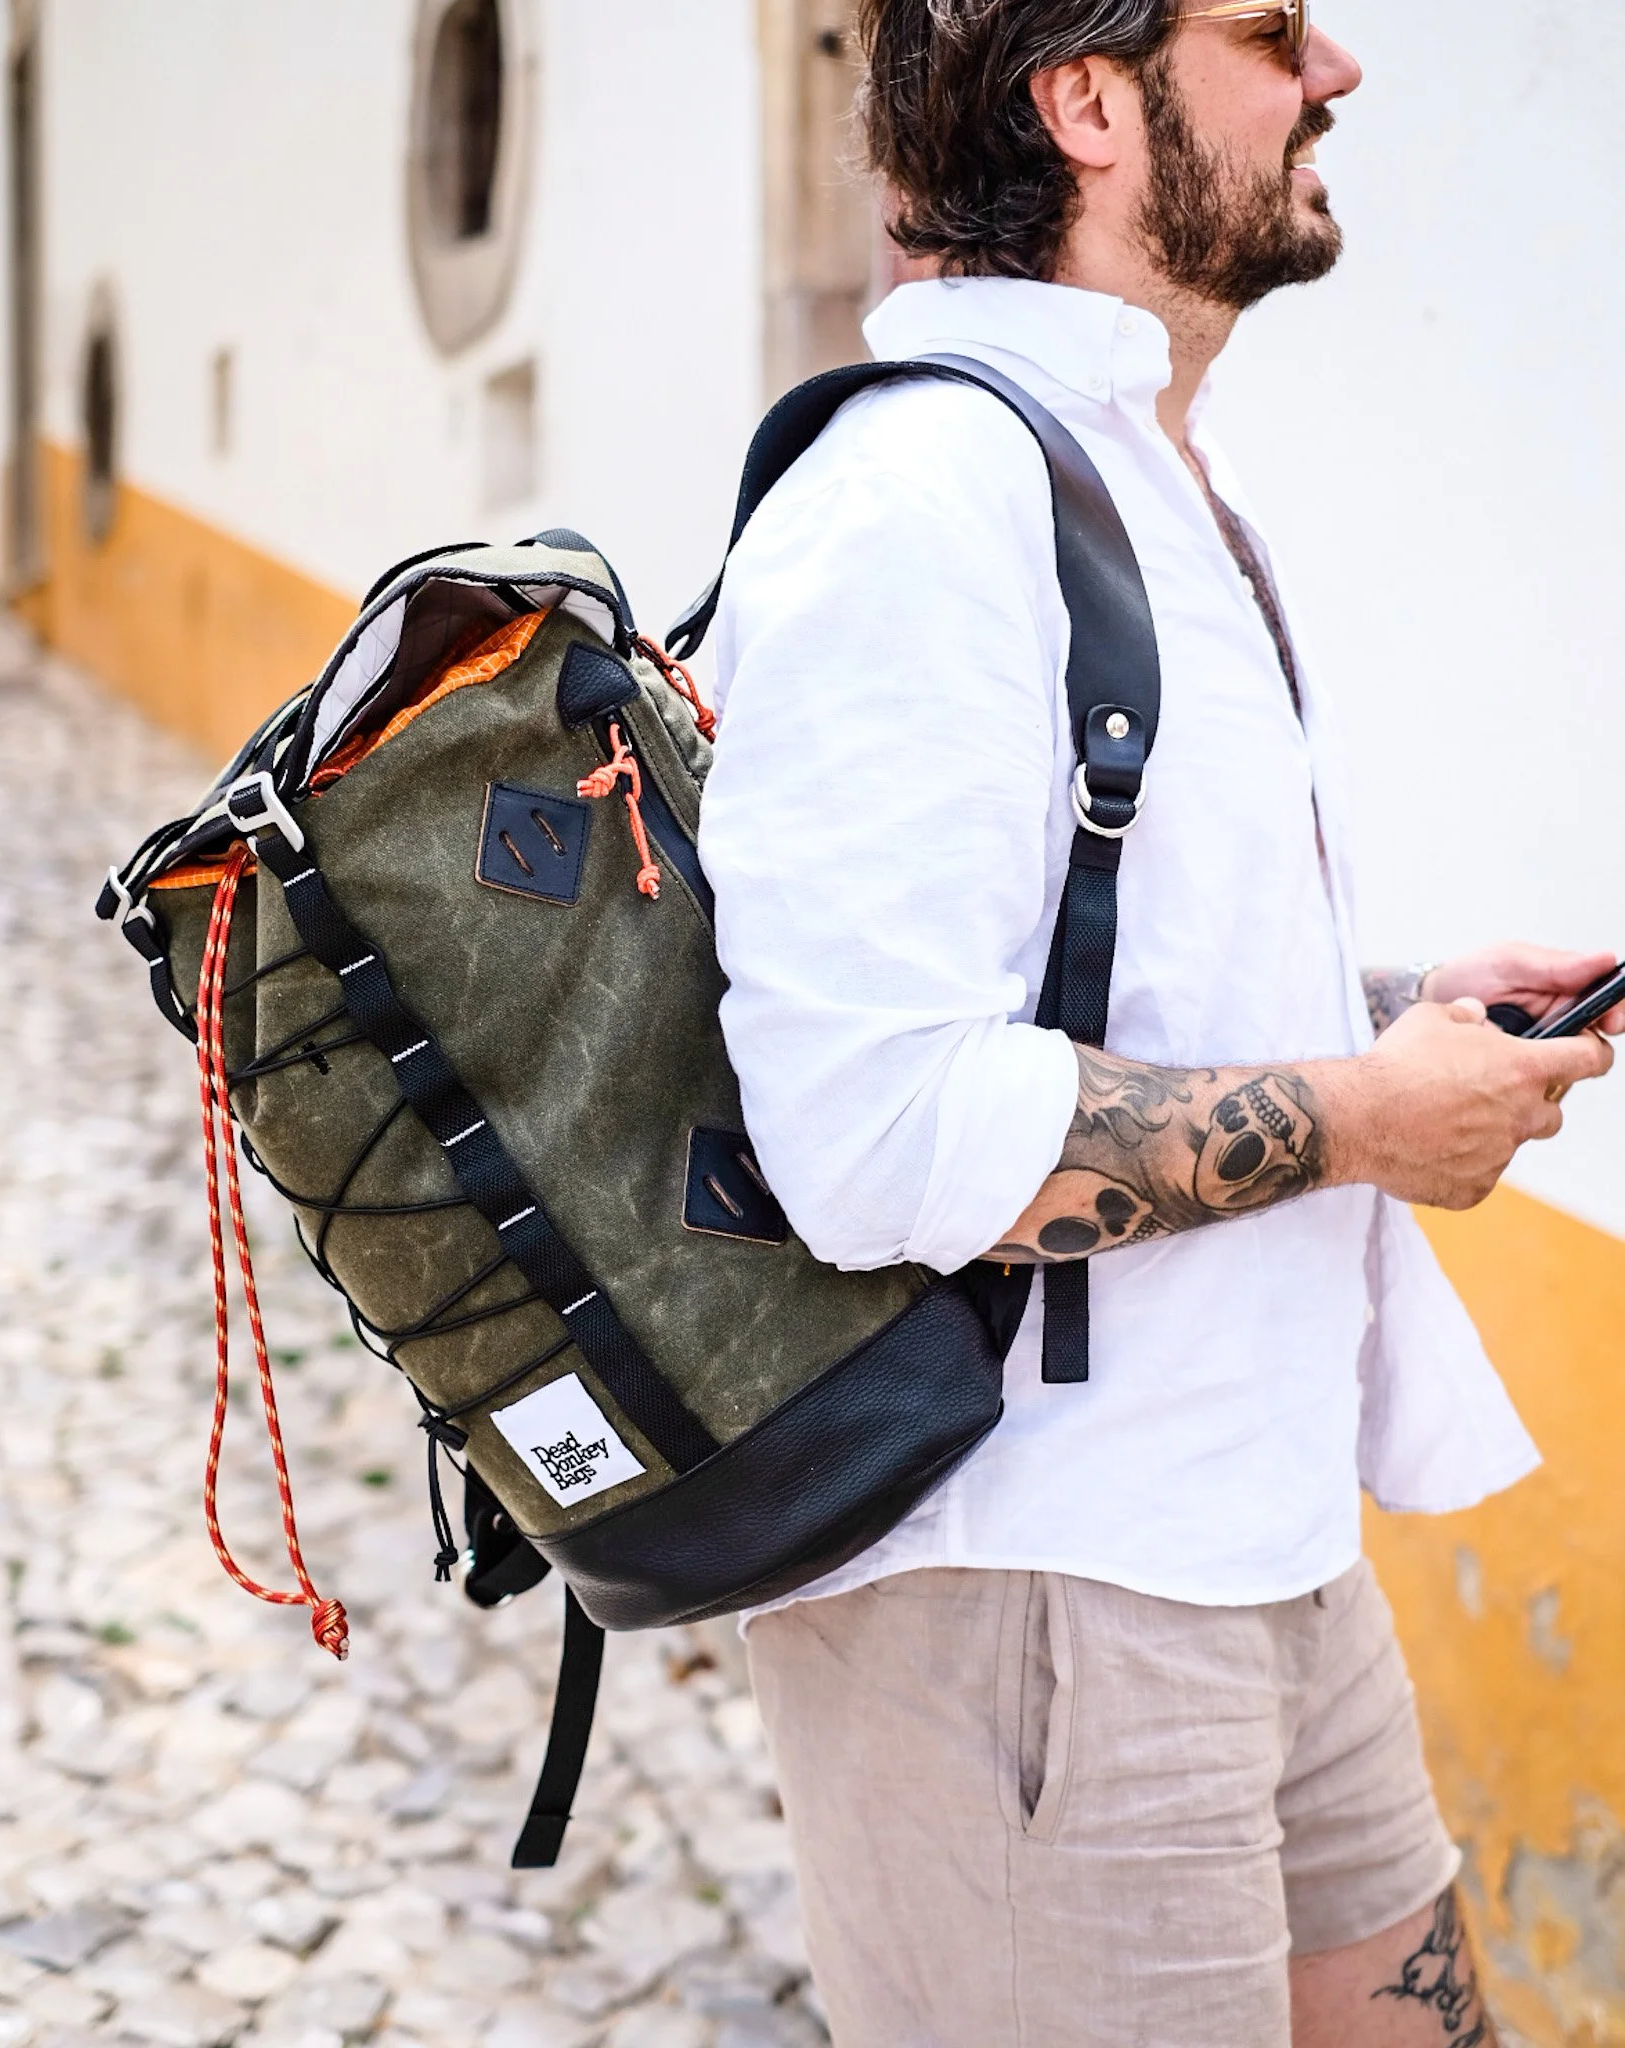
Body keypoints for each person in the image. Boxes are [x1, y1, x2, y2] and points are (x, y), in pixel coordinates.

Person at [695, 2, 1623, 2043]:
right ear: (1089, 102)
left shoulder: (1142, 479)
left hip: (1258, 1536)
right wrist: (1367, 1117)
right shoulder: (922, 499)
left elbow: (1099, 983)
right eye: (1269, 30)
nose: (1335, 72)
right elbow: (870, 1129)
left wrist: (1394, 1019)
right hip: (1030, 1600)